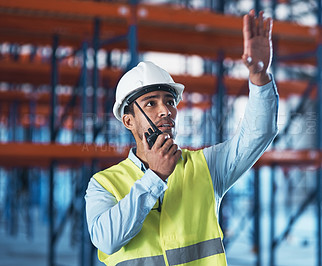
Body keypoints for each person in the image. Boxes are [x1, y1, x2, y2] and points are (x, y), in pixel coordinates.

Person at [85, 9, 278, 266]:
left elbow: (258, 134)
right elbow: (107, 240)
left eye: (169, 102)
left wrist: (259, 75)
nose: (165, 110)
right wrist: (155, 177)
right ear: (128, 120)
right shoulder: (104, 184)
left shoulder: (206, 167)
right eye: (151, 104)